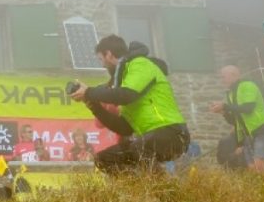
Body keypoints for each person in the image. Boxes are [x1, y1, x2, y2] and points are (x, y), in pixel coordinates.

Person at [70, 36, 190, 174]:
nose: (102, 65)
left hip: (172, 133)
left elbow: (126, 95)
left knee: (140, 147)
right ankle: (135, 193)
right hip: (149, 140)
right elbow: (124, 128)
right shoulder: (125, 81)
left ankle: (168, 192)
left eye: (101, 59)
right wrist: (93, 105)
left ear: (108, 54)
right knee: (104, 159)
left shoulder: (140, 64)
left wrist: (89, 92)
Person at [210, 65, 264, 175]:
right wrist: (224, 112)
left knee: (260, 163)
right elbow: (235, 121)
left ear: (233, 75)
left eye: (223, 77)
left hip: (261, 130)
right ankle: (260, 190)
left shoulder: (248, 85)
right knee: (252, 167)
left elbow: (248, 108)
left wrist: (225, 106)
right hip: (247, 135)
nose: (222, 80)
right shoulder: (230, 93)